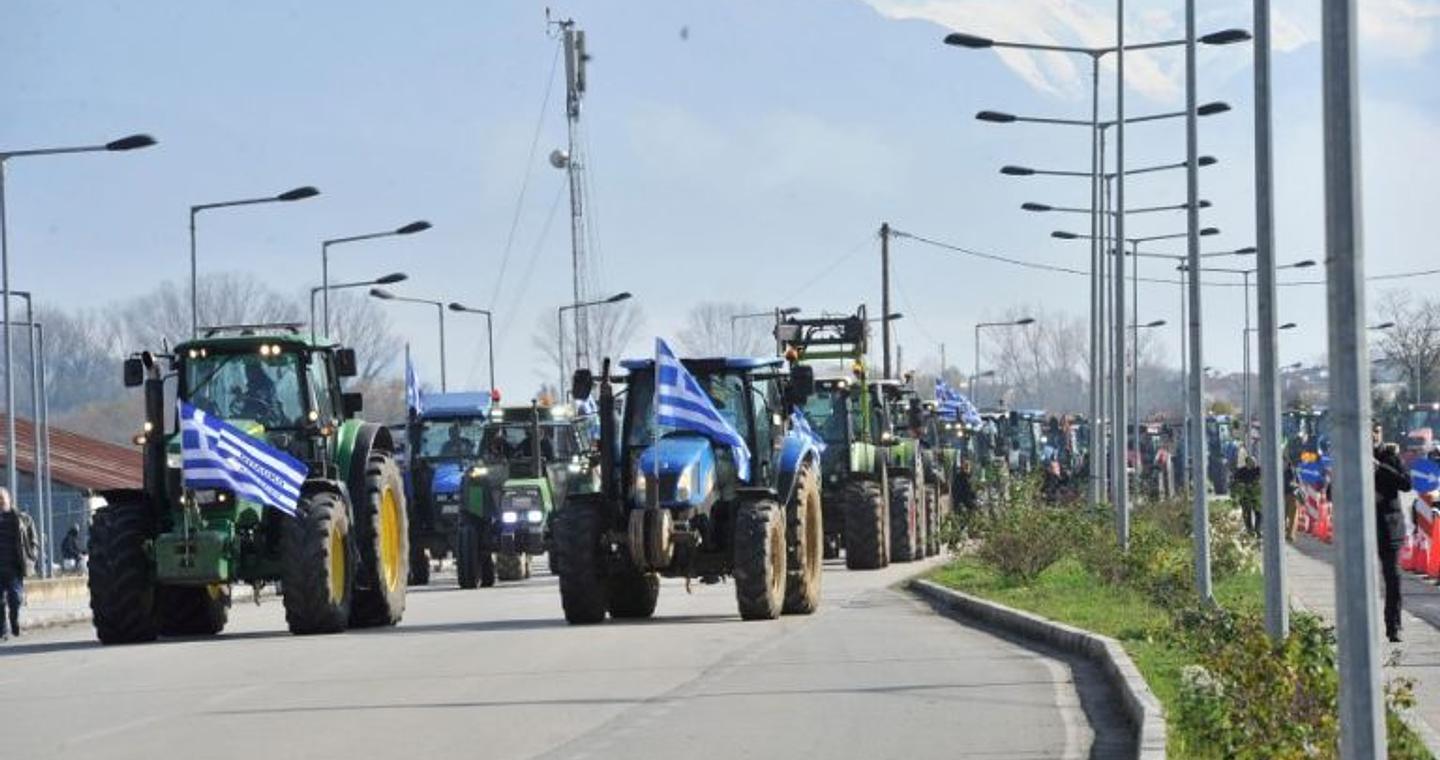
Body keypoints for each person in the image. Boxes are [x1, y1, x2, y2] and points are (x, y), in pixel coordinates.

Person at [1374, 423, 1412, 643]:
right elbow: (1333, 492)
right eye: (1368, 431)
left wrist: (1380, 467)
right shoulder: (1351, 456)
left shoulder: (1390, 457)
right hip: (1362, 529)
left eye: (1376, 432)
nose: (1372, 436)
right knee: (1362, 580)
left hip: (1389, 527)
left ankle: (1393, 625)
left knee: (1393, 579)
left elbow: (1407, 483)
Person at [0, 487, 39, 640]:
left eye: (2, 498)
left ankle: (14, 619)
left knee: (15, 599)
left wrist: (33, 555)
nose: (0, 502)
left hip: (14, 567)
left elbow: (33, 538)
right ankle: (3, 630)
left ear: (9, 499)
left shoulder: (22, 519)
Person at [1233, 455, 1262, 535]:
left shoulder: (1259, 470)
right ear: (1247, 463)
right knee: (1246, 513)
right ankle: (1249, 529)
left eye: (1254, 461)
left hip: (1256, 495)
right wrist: (1241, 485)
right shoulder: (1241, 471)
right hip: (1245, 495)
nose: (1254, 463)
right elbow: (1236, 481)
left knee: (1259, 512)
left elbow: (1262, 479)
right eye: (1252, 461)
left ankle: (1257, 529)